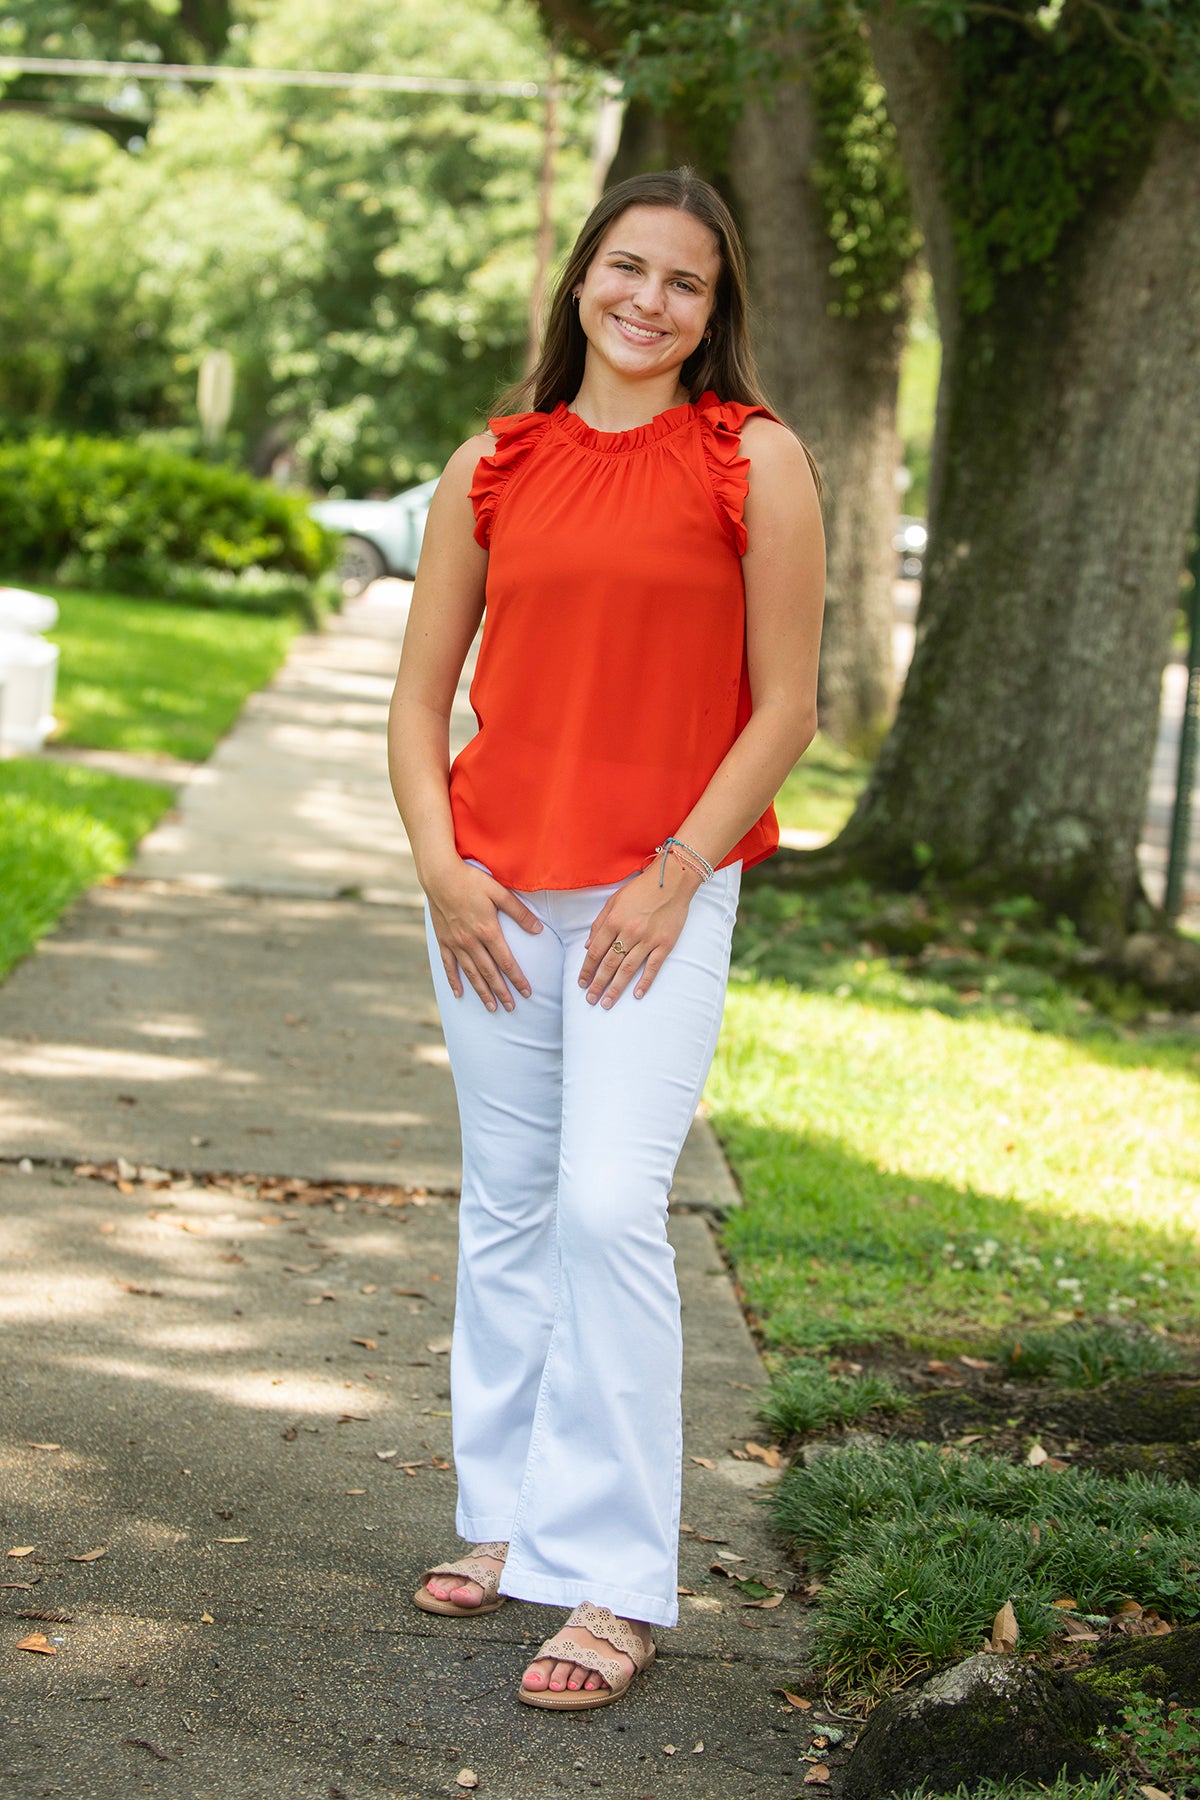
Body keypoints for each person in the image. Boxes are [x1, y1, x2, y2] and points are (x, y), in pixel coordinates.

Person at [387, 167, 825, 1711]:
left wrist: (677, 868)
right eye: (625, 268)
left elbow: (789, 707)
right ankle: (499, 1518)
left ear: (716, 312)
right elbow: (420, 693)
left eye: (683, 282)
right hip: (494, 897)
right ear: (582, 278)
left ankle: (618, 1582)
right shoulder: (493, 463)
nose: (648, 300)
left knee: (604, 1208)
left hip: (664, 890)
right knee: (506, 1207)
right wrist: (440, 868)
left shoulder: (752, 460)